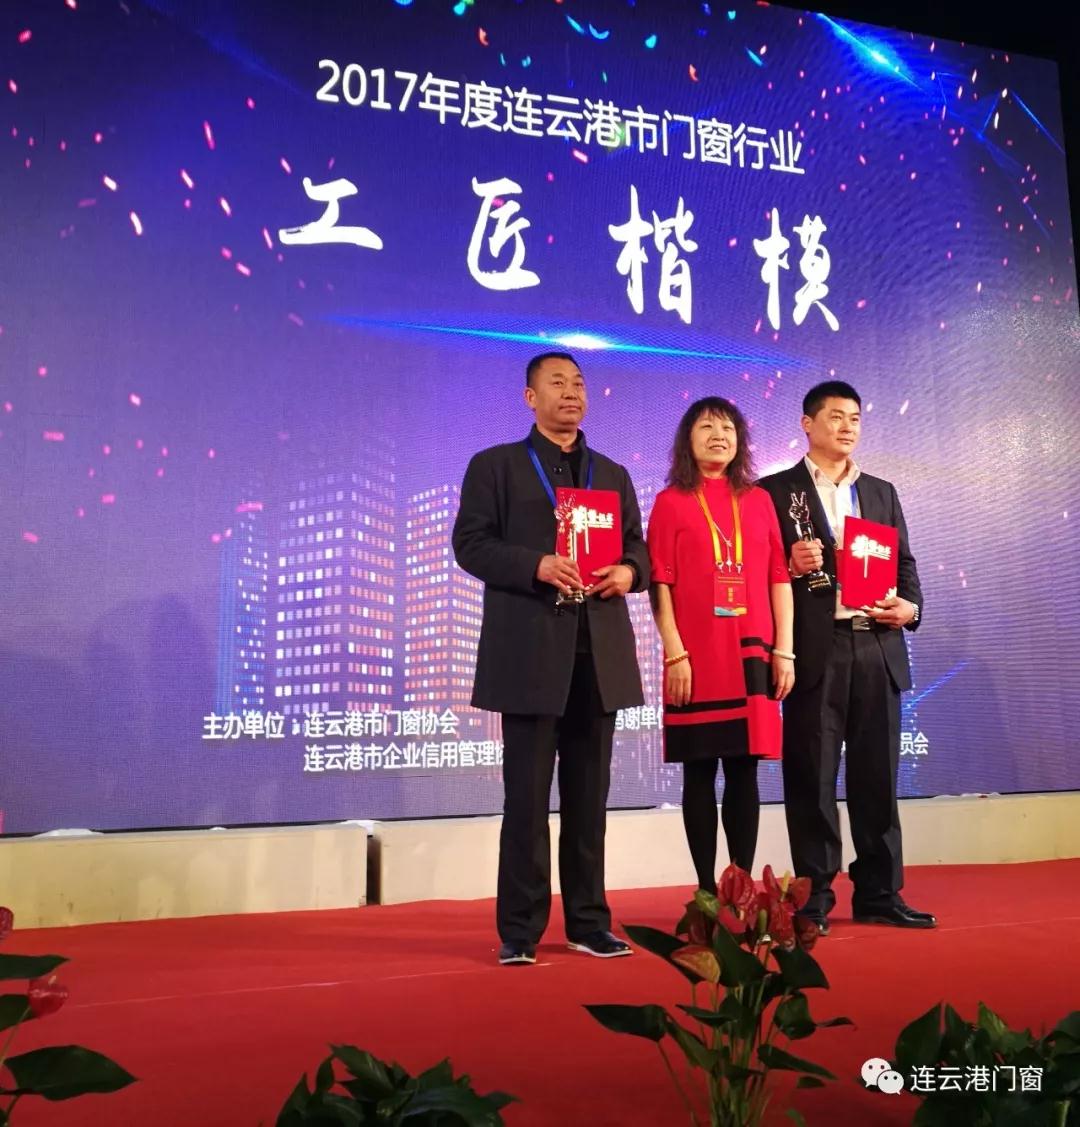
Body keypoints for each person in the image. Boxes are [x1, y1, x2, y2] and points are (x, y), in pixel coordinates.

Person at [452, 351, 650, 966]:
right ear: (529, 397)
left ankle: (589, 923)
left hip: (598, 656)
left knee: (590, 803)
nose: (571, 392)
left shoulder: (611, 473)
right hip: (531, 655)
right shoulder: (497, 466)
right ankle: (520, 930)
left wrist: (629, 571)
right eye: (557, 383)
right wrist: (535, 564)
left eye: (579, 383)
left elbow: (638, 549)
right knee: (527, 802)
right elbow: (470, 544)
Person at [759, 381, 935, 934]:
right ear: (807, 424)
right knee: (811, 776)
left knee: (877, 776)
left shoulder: (880, 491)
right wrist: (789, 564)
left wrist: (910, 608)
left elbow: (905, 565)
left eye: (854, 418)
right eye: (835, 416)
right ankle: (813, 896)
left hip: (877, 645)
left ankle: (880, 891)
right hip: (817, 648)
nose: (847, 427)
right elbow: (759, 571)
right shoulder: (774, 492)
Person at [647, 398, 794, 893]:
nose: (719, 435)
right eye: (707, 426)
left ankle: (740, 890)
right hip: (694, 656)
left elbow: (779, 577)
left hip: (751, 650)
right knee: (698, 773)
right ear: (687, 440)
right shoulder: (670, 501)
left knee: (744, 773)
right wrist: (674, 653)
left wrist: (784, 650)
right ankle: (706, 893)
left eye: (728, 427)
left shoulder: (759, 500)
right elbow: (660, 583)